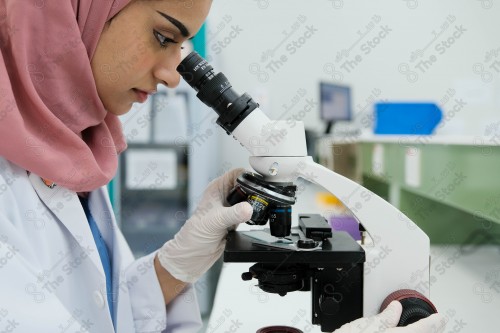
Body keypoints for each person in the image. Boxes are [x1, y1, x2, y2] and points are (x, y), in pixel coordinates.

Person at [0, 0, 446, 332]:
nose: (173, 75)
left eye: (183, 48)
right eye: (163, 36)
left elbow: (108, 315)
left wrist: (177, 263)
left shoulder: (73, 151)